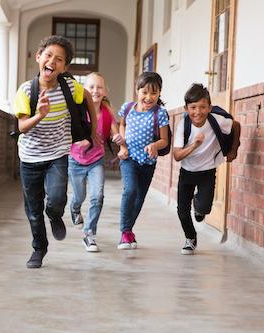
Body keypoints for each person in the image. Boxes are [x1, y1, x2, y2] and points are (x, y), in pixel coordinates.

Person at [13, 35, 97, 268]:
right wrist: (39, 114)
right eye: (48, 55)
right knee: (33, 209)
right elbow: (22, 127)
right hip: (29, 157)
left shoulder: (69, 87)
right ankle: (39, 249)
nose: (52, 61)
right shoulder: (25, 91)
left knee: (57, 198)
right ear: (39, 57)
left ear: (64, 67)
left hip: (57, 154)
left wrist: (94, 130)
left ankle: (55, 214)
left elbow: (89, 97)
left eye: (59, 59)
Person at [173, 83, 240, 255]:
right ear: (186, 108)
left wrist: (233, 149)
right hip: (187, 172)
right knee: (182, 211)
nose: (198, 111)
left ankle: (199, 206)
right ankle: (190, 238)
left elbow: (236, 125)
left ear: (209, 107)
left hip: (207, 171)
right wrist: (194, 145)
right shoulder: (183, 125)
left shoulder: (217, 120)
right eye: (193, 107)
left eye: (203, 107)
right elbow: (177, 156)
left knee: (204, 209)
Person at [68, 72, 124, 252]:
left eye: (99, 87)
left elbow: (114, 132)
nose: (95, 90)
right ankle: (75, 208)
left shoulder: (107, 112)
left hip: (96, 161)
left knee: (97, 196)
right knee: (80, 196)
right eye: (91, 87)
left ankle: (89, 234)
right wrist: (80, 140)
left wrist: (118, 138)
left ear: (105, 91)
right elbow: (68, 132)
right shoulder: (79, 110)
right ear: (84, 90)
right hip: (76, 160)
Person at [116, 72, 169, 250]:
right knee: (130, 190)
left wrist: (155, 145)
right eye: (144, 92)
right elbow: (122, 124)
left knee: (139, 198)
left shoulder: (160, 113)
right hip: (129, 158)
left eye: (153, 93)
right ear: (137, 90)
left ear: (159, 93)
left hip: (148, 162)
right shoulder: (127, 107)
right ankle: (124, 232)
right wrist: (122, 144)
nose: (148, 97)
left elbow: (165, 141)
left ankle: (129, 230)